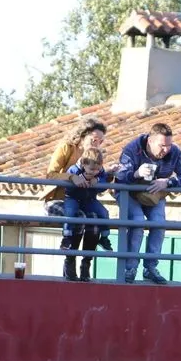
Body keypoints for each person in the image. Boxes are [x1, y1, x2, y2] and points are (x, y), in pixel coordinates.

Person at [115, 123, 181, 285]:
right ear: (150, 141)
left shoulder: (174, 152)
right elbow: (120, 175)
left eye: (168, 145)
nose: (166, 150)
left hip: (154, 195)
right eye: (162, 146)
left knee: (158, 223)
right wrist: (137, 173)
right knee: (137, 222)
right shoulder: (132, 148)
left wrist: (168, 182)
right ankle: (129, 268)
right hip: (129, 193)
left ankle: (150, 267)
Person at [45, 117, 116, 280]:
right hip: (59, 199)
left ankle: (86, 263)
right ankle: (70, 261)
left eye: (100, 141)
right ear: (83, 136)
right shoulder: (66, 148)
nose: (96, 144)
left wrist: (107, 175)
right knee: (79, 218)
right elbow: (51, 174)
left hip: (83, 201)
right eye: (93, 139)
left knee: (95, 220)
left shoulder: (95, 156)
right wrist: (71, 178)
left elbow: (102, 179)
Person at [60, 147, 112, 281]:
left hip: (89, 200)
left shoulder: (99, 172)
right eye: (91, 170)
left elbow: (105, 183)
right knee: (71, 214)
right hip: (73, 198)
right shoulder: (74, 170)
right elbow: (66, 181)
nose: (94, 172)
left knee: (103, 213)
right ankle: (67, 238)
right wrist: (75, 179)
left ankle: (104, 238)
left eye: (97, 169)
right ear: (83, 165)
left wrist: (98, 182)